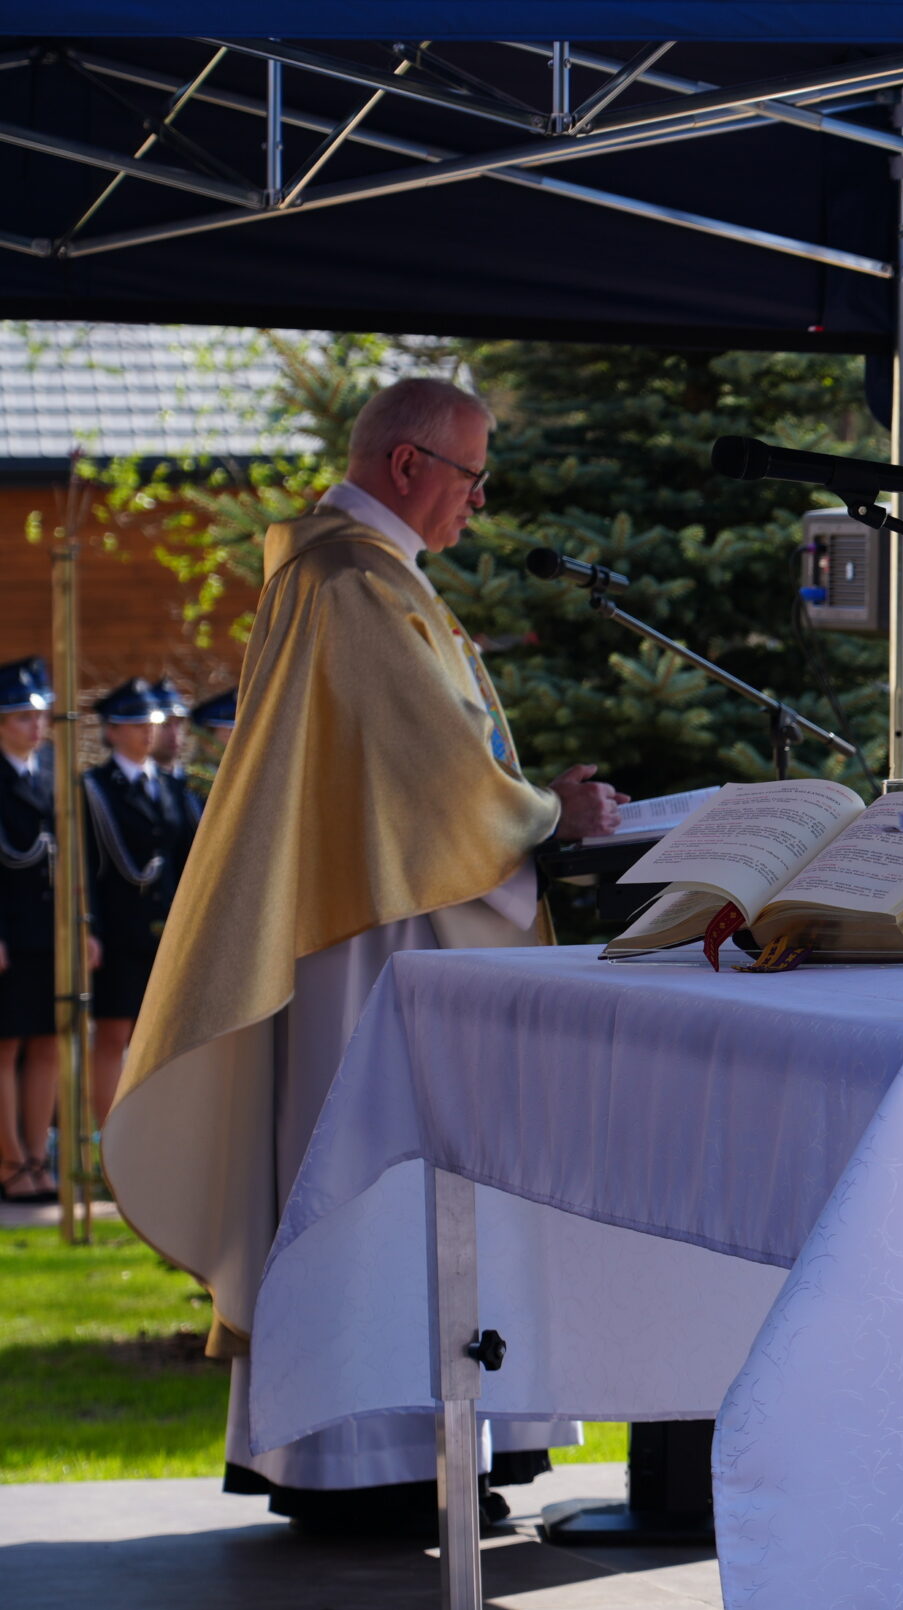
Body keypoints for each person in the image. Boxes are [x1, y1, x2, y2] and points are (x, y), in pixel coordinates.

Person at [99, 375, 627, 1532]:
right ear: (406, 466)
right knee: (383, 1186)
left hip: (395, 927)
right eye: (471, 475)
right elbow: (435, 778)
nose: (479, 500)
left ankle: (419, 1452)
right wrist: (550, 818)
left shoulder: (363, 572)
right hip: (376, 946)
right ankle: (373, 1467)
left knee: (413, 1192)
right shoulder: (349, 580)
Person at [83, 678, 202, 1123]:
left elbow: (186, 860)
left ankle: (156, 1132)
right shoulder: (95, 788)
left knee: (162, 1037)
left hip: (166, 931)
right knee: (114, 1034)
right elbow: (87, 868)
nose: (148, 732)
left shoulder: (170, 787)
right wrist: (91, 929)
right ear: (111, 730)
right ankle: (108, 1135)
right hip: (119, 930)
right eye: (136, 724)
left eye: (151, 723)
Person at [0, 659, 60, 1201]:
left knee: (47, 1043)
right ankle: (10, 1163)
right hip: (9, 933)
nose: (36, 726)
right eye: (22, 717)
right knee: (5, 1046)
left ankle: (39, 1158)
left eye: (39, 716)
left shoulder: (51, 773)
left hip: (48, 932)